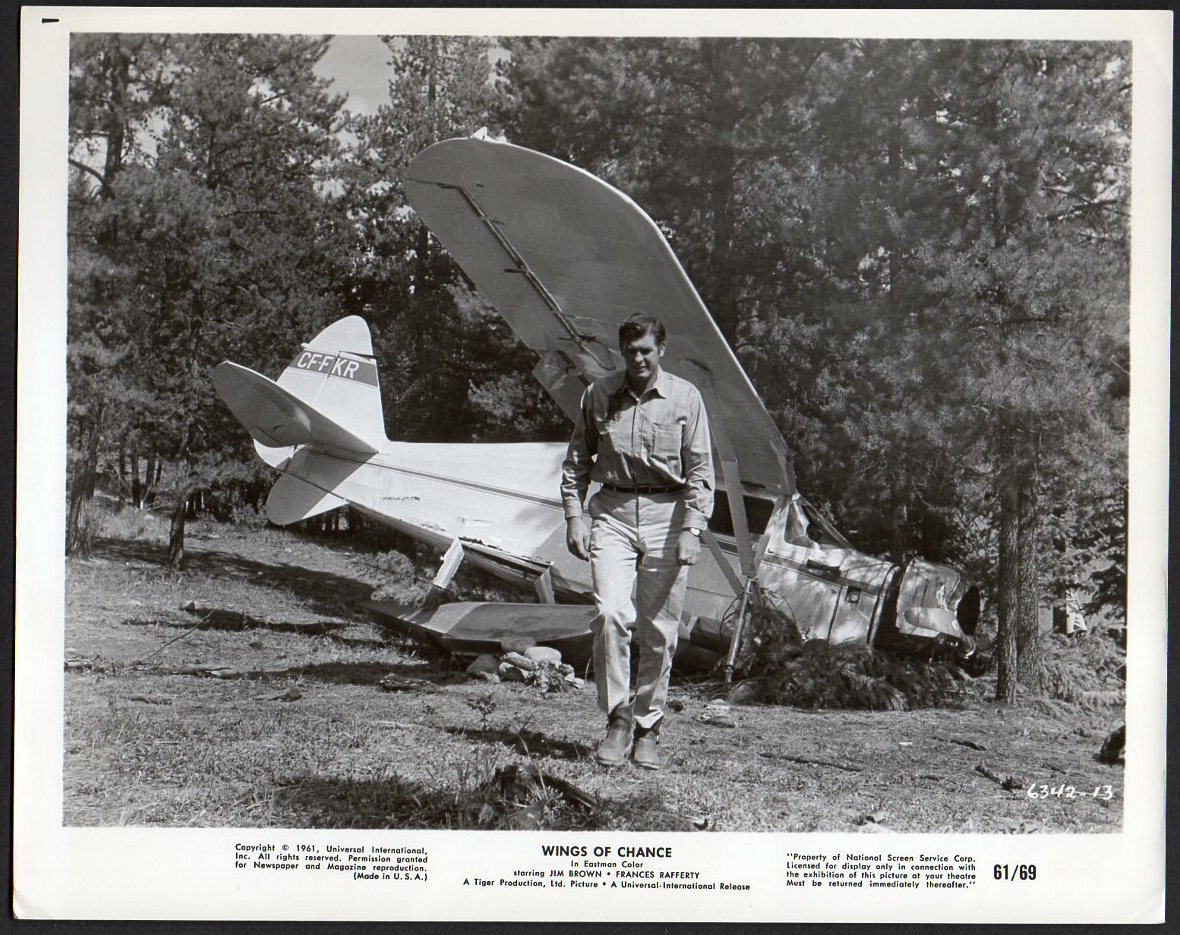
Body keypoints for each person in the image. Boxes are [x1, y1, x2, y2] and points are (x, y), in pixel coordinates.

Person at [560, 314, 713, 769]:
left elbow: (702, 472)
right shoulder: (599, 395)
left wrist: (691, 530)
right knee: (610, 613)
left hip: (668, 517)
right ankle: (618, 718)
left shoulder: (686, 398)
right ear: (621, 352)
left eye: (646, 350)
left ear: (661, 349)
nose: (638, 359)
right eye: (630, 351)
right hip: (613, 514)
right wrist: (574, 517)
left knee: (660, 631)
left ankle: (649, 728)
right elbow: (575, 463)